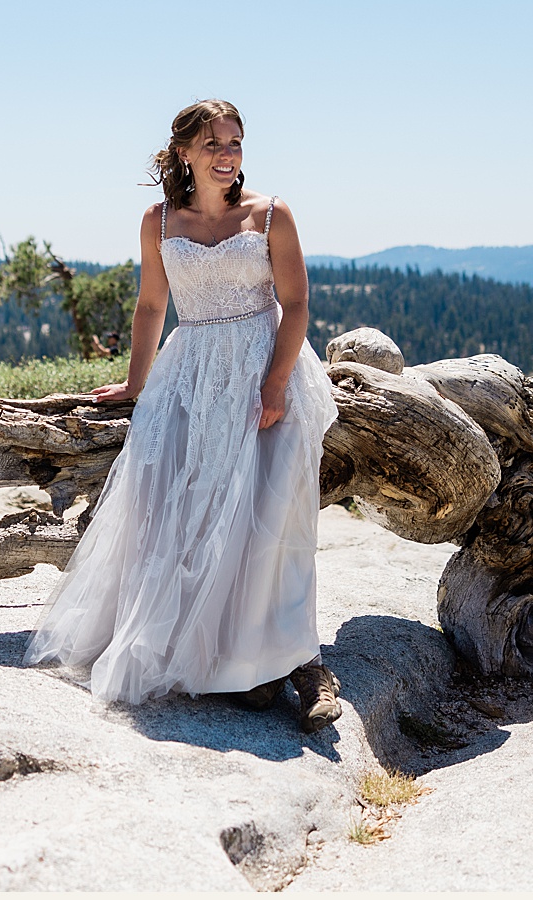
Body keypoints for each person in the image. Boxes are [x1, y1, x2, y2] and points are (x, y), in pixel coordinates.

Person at [25, 99, 344, 732]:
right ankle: (226, 663)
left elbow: (298, 304)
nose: (228, 156)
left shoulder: (271, 214)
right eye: (214, 144)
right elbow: (150, 306)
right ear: (184, 153)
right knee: (175, 505)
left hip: (261, 364)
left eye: (236, 142)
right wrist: (135, 384)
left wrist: (274, 387)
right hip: (190, 369)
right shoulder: (159, 219)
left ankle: (296, 664)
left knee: (266, 517)